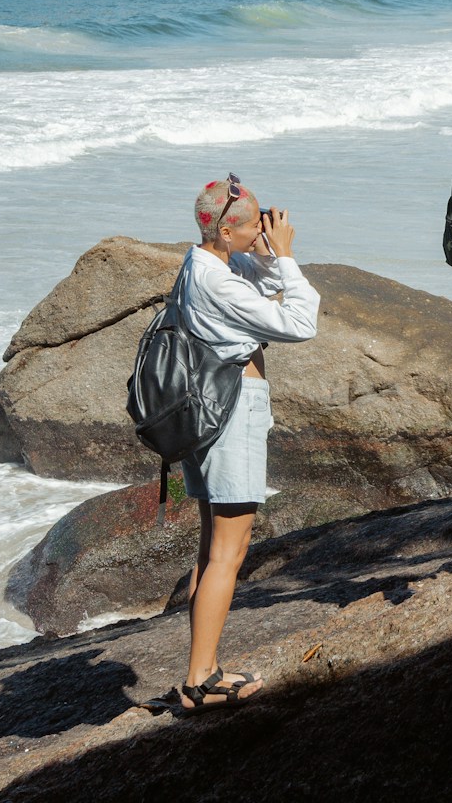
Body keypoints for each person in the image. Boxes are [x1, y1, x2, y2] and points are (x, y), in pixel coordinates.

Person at [163, 175, 320, 712]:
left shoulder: (203, 263)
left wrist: (268, 252)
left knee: (212, 550)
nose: (262, 231)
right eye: (253, 225)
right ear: (226, 232)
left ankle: (202, 669)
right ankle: (200, 680)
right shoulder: (219, 283)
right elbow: (300, 322)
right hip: (232, 415)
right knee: (229, 552)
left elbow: (257, 274)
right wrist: (289, 258)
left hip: (208, 412)